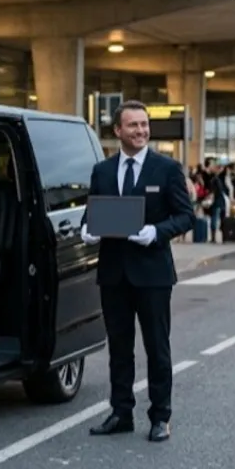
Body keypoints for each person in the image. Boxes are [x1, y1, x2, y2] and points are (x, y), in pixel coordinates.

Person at [80, 100, 196, 443]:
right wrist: (87, 229)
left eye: (144, 124)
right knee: (119, 348)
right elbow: (92, 212)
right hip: (114, 274)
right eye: (133, 125)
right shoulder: (102, 171)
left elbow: (186, 216)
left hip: (153, 274)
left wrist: (156, 232)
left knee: (157, 347)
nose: (141, 130)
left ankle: (160, 416)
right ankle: (121, 413)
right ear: (118, 130)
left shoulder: (167, 169)